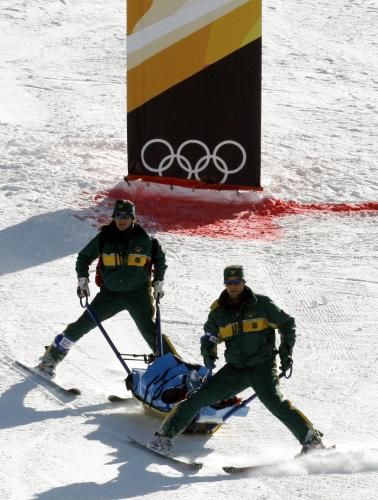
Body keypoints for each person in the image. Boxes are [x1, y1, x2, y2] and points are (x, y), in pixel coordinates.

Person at [148, 265, 325, 456]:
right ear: (225, 284)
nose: (233, 286)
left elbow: (287, 324)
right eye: (229, 283)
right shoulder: (218, 312)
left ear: (243, 282)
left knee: (276, 403)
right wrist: (209, 353)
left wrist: (286, 352)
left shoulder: (262, 305)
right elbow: (209, 336)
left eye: (237, 282)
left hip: (262, 366)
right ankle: (164, 437)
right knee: (198, 399)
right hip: (236, 369)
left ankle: (312, 441)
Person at [37, 199, 175, 378]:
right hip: (110, 295)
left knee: (151, 331)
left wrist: (158, 282)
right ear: (114, 217)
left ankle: (175, 368)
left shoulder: (146, 240)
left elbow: (160, 261)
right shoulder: (104, 238)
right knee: (81, 326)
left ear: (132, 218)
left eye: (126, 216)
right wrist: (82, 280)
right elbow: (84, 257)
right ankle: (51, 358)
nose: (121, 220)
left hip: (138, 294)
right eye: (118, 215)